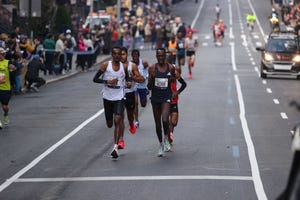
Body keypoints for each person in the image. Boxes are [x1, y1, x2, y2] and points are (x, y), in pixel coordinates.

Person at [92, 46, 127, 159]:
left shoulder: (124, 66)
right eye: (115, 54)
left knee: (117, 120)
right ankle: (115, 143)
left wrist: (133, 81)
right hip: (107, 98)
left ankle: (115, 147)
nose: (117, 56)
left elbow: (129, 78)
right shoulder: (105, 65)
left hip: (119, 97)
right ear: (112, 55)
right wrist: (108, 81)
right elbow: (95, 79)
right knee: (110, 124)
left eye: (119, 54)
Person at [147, 48, 181, 157]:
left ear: (165, 56)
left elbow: (180, 81)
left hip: (166, 97)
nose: (161, 58)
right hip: (156, 98)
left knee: (165, 120)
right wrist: (151, 78)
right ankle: (161, 144)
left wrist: (176, 91)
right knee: (157, 124)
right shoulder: (152, 68)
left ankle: (166, 138)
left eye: (162, 56)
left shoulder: (170, 68)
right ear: (156, 56)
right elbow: (149, 87)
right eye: (159, 56)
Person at [118, 47, 145, 150]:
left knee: (130, 116)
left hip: (130, 93)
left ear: (127, 55)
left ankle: (131, 124)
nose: (121, 56)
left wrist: (133, 77)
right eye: (120, 54)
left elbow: (141, 79)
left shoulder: (132, 66)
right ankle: (121, 140)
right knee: (119, 118)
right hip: (118, 95)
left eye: (123, 54)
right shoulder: (115, 66)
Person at [168, 66, 187, 144]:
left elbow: (184, 84)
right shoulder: (165, 74)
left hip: (174, 101)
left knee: (174, 122)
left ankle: (169, 132)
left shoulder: (175, 74)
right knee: (167, 121)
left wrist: (177, 92)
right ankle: (169, 136)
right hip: (165, 101)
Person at [131, 49, 149, 128]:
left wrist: (142, 79)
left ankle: (145, 94)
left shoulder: (144, 63)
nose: (135, 57)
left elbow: (144, 77)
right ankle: (136, 120)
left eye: (136, 56)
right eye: (133, 56)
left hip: (142, 86)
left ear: (139, 56)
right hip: (134, 86)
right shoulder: (130, 64)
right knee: (135, 103)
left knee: (143, 104)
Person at [0, 47, 16, 128]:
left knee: (4, 107)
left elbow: (13, 70)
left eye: (2, 54)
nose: (1, 56)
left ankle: (6, 114)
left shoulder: (7, 62)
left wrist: (13, 68)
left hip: (5, 88)